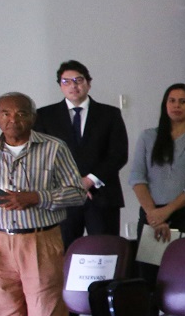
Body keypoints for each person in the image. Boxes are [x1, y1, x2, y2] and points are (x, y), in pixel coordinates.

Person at [0, 92, 86, 316]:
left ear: (32, 117)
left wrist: (38, 197)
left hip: (40, 240)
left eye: (20, 114)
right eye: (5, 114)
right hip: (0, 244)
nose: (12, 120)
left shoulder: (53, 147)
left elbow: (77, 193)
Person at [34, 60, 128, 246]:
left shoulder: (110, 114)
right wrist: (72, 185)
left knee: (105, 253)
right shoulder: (44, 116)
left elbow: (118, 154)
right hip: (62, 199)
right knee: (64, 254)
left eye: (78, 80)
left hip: (102, 196)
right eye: (66, 81)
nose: (73, 86)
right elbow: (41, 157)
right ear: (60, 85)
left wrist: (87, 181)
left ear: (88, 83)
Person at [130, 83, 185, 244]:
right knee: (150, 268)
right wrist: (155, 215)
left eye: (183, 101)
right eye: (172, 101)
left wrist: (167, 211)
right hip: (151, 215)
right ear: (165, 105)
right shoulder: (147, 137)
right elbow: (137, 177)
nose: (177, 105)